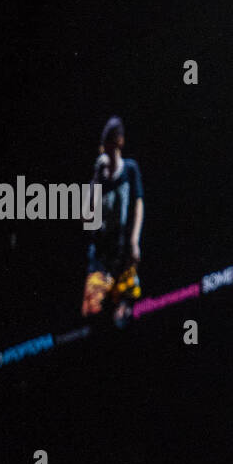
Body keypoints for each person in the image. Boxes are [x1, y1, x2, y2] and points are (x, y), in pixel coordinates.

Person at [82, 116, 144, 327]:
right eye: (104, 142)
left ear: (119, 142)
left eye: (111, 140)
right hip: (100, 254)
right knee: (92, 311)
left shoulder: (130, 169)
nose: (107, 147)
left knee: (126, 304)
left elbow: (138, 205)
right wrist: (96, 178)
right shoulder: (98, 178)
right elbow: (86, 216)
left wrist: (135, 240)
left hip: (122, 249)